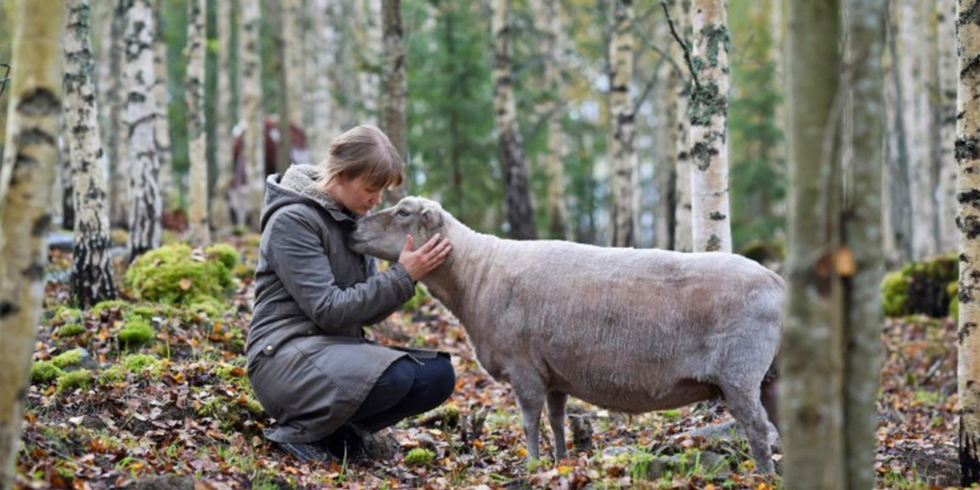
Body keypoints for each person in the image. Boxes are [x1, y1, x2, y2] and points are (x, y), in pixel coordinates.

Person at [246, 125, 455, 463]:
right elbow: (328, 309)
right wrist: (403, 276)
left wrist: (406, 277)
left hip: (334, 352)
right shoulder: (292, 220)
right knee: (397, 374)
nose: (376, 200)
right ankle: (297, 432)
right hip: (282, 360)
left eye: (382, 191)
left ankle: (342, 433)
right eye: (371, 189)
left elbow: (365, 313)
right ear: (341, 176)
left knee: (437, 377)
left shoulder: (353, 221)